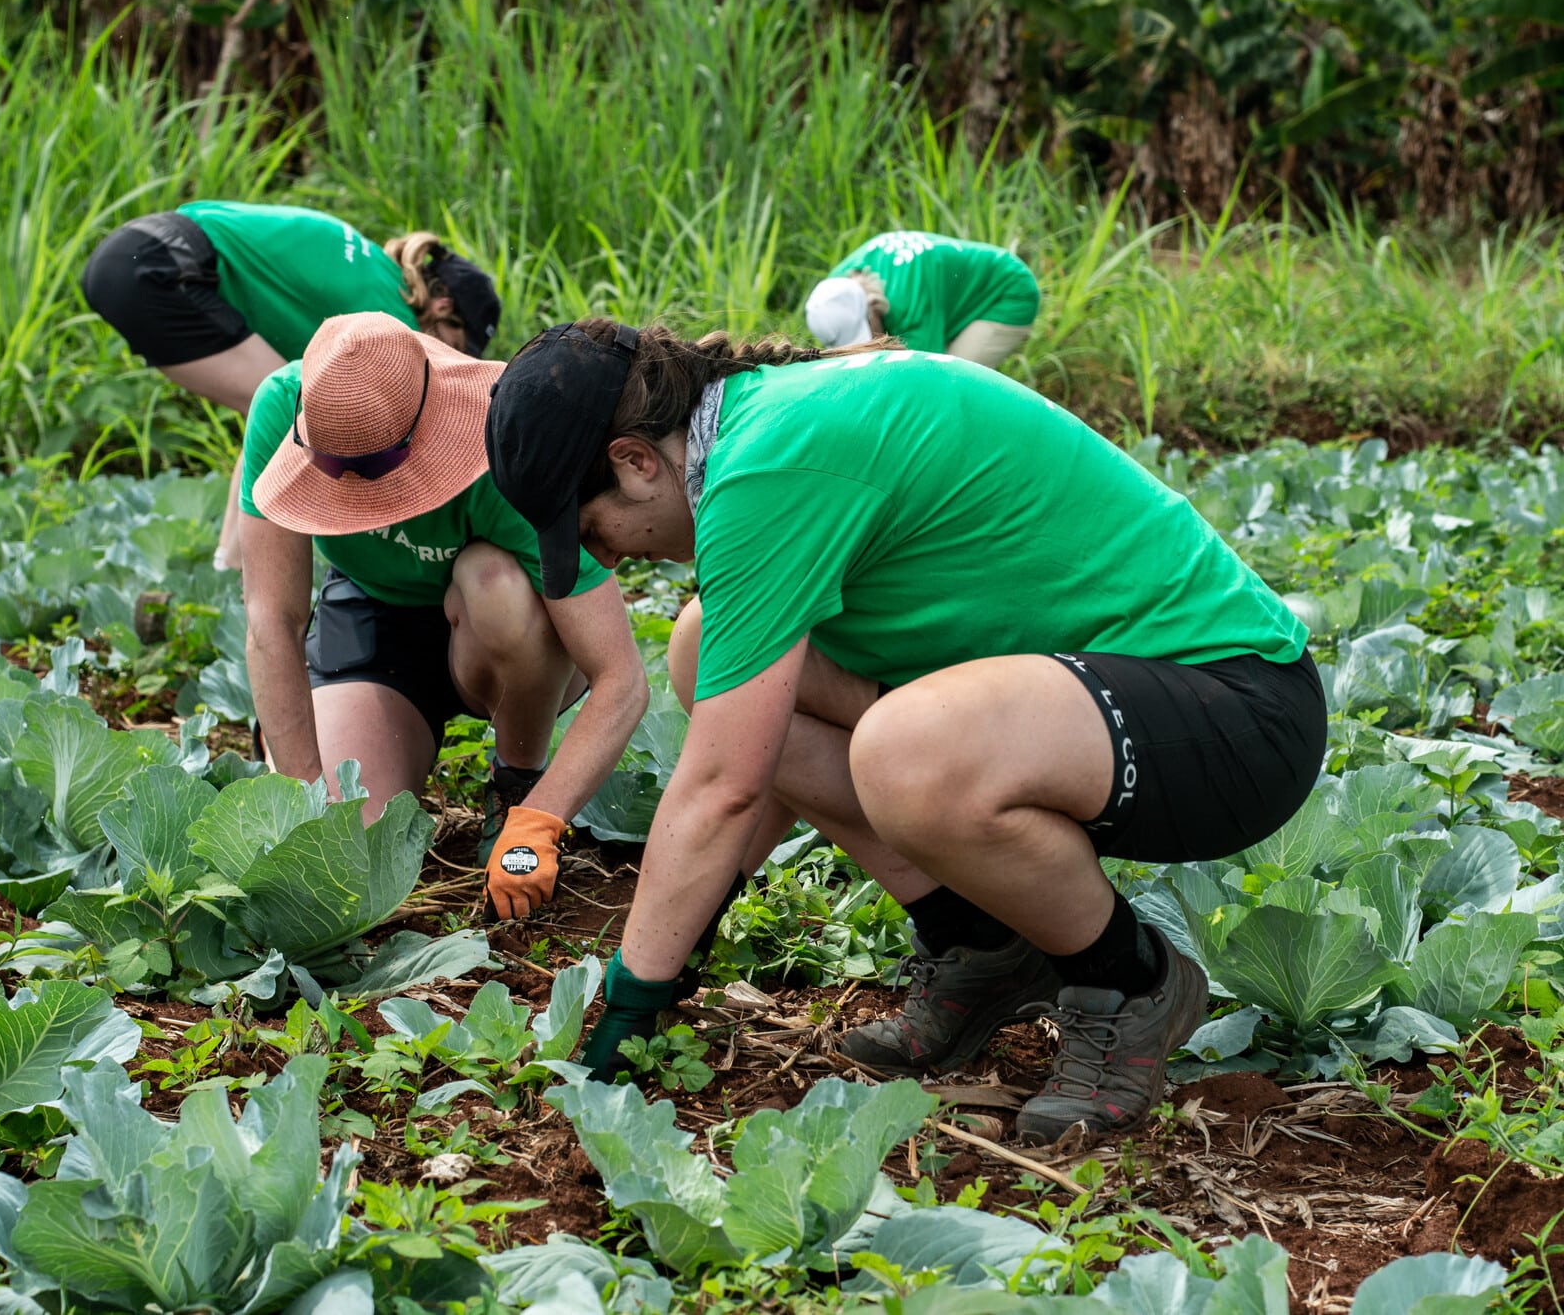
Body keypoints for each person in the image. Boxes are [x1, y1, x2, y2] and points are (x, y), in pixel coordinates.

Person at [483, 323, 1323, 1143]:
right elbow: (758, 752)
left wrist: (630, 1011)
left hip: (1234, 714)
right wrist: (689, 925)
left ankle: (1133, 980)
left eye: (592, 530)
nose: (613, 557)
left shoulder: (770, 466)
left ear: (635, 460)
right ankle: (983, 946)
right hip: (1095, 706)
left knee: (904, 753)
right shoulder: (756, 428)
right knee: (706, 648)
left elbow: (724, 787)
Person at [240, 311, 646, 920]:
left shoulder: (508, 432)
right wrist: (305, 797)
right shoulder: (281, 407)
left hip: (510, 633)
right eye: (332, 471)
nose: (358, 495)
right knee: (353, 851)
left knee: (490, 579)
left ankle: (516, 781)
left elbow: (622, 677)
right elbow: (272, 620)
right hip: (374, 619)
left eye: (375, 469)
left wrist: (541, 819)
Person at [81, 202, 501, 575]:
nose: (449, 356)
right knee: (285, 415)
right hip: (164, 266)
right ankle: (241, 572)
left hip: (135, 251)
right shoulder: (391, 320)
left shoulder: (374, 268)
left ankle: (228, 565)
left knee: (274, 408)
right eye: (458, 345)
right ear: (443, 309)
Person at [804, 231, 1038, 367]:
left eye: (867, 333)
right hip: (945, 295)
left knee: (953, 378)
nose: (866, 346)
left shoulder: (909, 307)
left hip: (1005, 291)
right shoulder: (832, 291)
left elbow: (924, 376)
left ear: (872, 306)